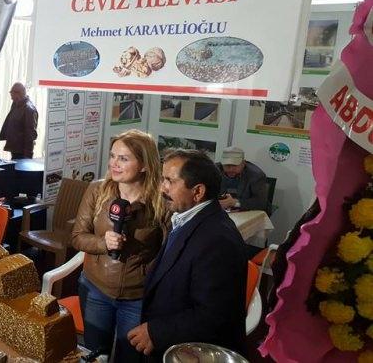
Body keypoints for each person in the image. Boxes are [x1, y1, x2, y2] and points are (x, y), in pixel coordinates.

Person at [128, 149, 247, 361]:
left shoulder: (218, 241)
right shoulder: (186, 218)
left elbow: (214, 315)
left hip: (192, 352)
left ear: (198, 191)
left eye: (170, 181)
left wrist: (156, 332)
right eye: (163, 179)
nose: (162, 188)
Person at [70, 130, 167, 362]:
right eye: (113, 156)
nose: (114, 163)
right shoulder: (97, 190)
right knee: (96, 355)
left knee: (130, 358)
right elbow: (77, 237)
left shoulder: (161, 201)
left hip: (137, 297)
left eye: (123, 158)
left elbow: (168, 252)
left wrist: (147, 273)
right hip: (95, 288)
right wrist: (103, 243)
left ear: (145, 165)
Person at [216, 146, 268, 212]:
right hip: (220, 211)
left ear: (243, 163)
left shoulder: (256, 175)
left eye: (234, 165)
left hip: (246, 212)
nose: (230, 169)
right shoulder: (214, 170)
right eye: (227, 165)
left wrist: (234, 203)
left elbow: (261, 203)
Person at [0, 83, 38, 159]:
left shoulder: (28, 109)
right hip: (15, 150)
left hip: (22, 153)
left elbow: (30, 135)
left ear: (18, 94)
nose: (11, 98)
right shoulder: (16, 104)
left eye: (12, 96)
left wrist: (27, 157)